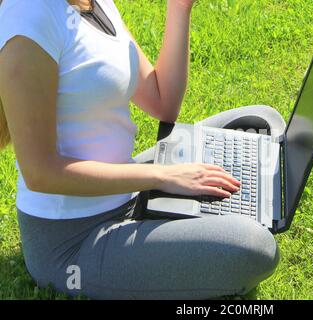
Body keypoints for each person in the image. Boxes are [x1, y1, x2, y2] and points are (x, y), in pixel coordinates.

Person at [0, 0, 285, 299]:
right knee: (255, 247)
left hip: (127, 188)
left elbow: (162, 100)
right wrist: (160, 176)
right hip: (74, 242)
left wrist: (179, 7)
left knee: (262, 120)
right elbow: (40, 173)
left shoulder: (94, 3)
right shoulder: (28, 16)